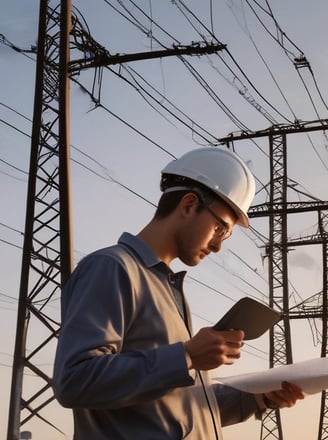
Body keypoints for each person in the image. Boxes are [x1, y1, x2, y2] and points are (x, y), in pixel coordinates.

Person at [53, 147, 304, 439]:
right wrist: (186, 356)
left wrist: (259, 397)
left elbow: (179, 409)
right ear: (188, 205)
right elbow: (74, 380)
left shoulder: (169, 289)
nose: (218, 245)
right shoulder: (111, 268)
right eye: (220, 229)